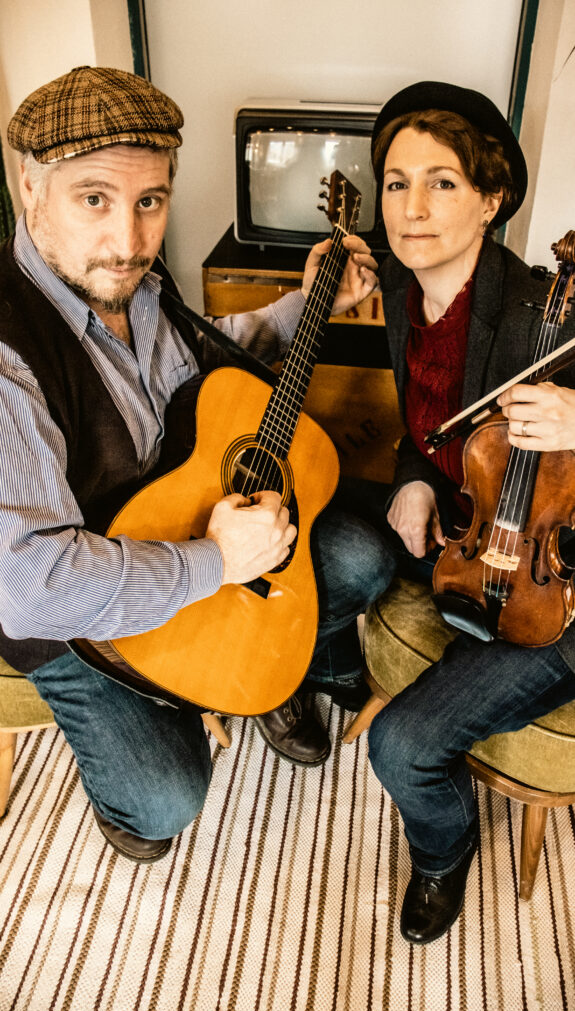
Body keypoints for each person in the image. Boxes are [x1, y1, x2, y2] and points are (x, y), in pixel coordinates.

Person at [0, 65, 395, 862]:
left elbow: (198, 369)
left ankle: (263, 673)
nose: (130, 240)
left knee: (362, 557)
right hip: (79, 620)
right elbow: (31, 591)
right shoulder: (8, 354)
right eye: (94, 200)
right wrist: (216, 563)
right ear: (28, 189)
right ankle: (180, 710)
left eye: (150, 201)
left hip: (179, 523)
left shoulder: (131, 282)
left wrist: (302, 303)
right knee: (164, 799)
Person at [364, 81, 575, 944]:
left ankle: (442, 857)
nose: (412, 208)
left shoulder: (547, 317)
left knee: (400, 748)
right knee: (329, 541)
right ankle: (325, 683)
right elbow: (431, 427)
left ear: (490, 201)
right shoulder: (400, 293)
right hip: (460, 539)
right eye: (395, 181)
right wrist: (416, 474)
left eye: (441, 182)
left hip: (552, 593)